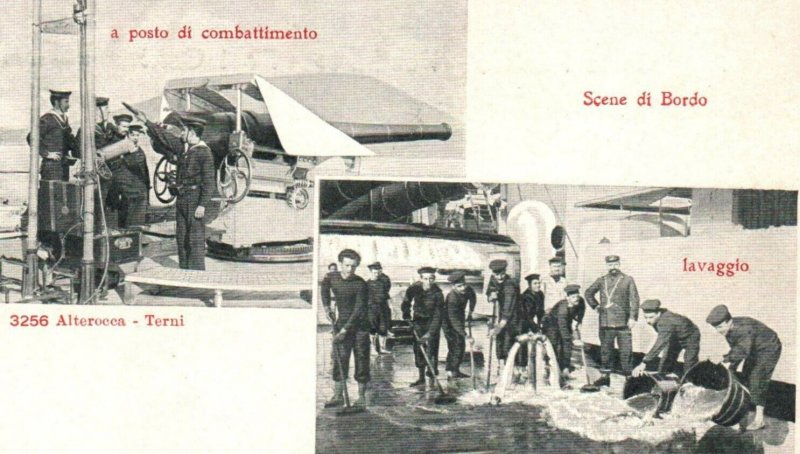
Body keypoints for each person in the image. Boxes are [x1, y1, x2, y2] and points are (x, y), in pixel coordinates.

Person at [134, 110, 216, 270]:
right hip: (182, 199)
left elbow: (209, 182)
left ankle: (197, 274)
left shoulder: (204, 153)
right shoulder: (186, 150)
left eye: (184, 131)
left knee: (195, 239)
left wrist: (202, 205)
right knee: (182, 237)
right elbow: (166, 139)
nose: (181, 134)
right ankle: (184, 271)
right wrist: (147, 123)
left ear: (192, 133)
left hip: (195, 201)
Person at [706, 304, 781, 431]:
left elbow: (742, 350)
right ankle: (740, 406)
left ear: (729, 321)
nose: (718, 331)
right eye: (716, 328)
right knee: (742, 373)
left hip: (768, 348)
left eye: (719, 327)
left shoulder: (744, 328)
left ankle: (759, 419)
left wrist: (726, 360)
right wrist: (729, 368)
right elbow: (737, 348)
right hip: (753, 348)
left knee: (757, 378)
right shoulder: (729, 330)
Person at [319, 249, 370, 407]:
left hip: (360, 327)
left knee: (361, 359)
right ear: (340, 264)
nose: (350, 270)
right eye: (347, 265)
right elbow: (324, 288)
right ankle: (338, 396)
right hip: (341, 323)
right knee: (340, 360)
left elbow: (358, 310)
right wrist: (327, 308)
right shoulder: (332, 278)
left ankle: (361, 397)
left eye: (354, 266)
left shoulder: (360, 284)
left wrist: (344, 331)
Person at [585, 255, 640, 385]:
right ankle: (605, 376)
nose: (613, 267)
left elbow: (635, 299)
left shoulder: (627, 280)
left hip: (623, 323)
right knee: (606, 351)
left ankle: (628, 377)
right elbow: (588, 293)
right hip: (606, 322)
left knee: (626, 351)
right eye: (610, 265)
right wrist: (596, 306)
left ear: (619, 264)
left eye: (615, 264)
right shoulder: (602, 280)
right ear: (606, 266)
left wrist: (633, 317)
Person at [632, 299, 700, 378]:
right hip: (674, 337)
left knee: (689, 362)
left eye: (651, 317)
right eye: (646, 317)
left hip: (690, 336)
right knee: (665, 362)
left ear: (658, 313)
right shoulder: (658, 319)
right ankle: (663, 381)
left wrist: (644, 362)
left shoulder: (665, 322)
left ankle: (690, 384)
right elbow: (664, 339)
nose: (648, 321)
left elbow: (660, 344)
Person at [401, 266, 445, 386]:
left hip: (432, 323)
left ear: (434, 279)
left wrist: (430, 333)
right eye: (425, 279)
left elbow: (438, 315)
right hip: (418, 322)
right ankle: (421, 378)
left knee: (432, 350)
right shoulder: (414, 288)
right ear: (421, 279)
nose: (428, 282)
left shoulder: (438, 293)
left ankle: (432, 379)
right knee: (418, 349)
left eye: (431, 279)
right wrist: (406, 315)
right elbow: (406, 302)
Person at [487, 259, 525, 380]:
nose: (499, 277)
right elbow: (490, 289)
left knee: (511, 342)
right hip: (502, 315)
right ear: (493, 273)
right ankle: (503, 370)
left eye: (502, 273)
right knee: (501, 342)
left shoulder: (510, 284)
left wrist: (498, 327)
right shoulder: (494, 279)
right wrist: (491, 295)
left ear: (505, 271)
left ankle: (517, 372)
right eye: (497, 274)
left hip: (516, 317)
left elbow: (508, 308)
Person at [30, 90, 79, 181]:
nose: (68, 105)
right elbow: (31, 137)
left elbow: (69, 139)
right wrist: (46, 154)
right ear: (57, 102)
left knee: (63, 192)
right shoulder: (47, 119)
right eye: (66, 102)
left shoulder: (64, 119)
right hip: (51, 167)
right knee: (52, 193)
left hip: (64, 166)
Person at [542, 284, 585, 382]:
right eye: (573, 297)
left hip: (565, 322)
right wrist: (574, 339)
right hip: (551, 325)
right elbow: (564, 330)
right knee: (554, 346)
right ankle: (549, 369)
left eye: (577, 296)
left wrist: (578, 321)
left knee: (567, 346)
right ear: (567, 298)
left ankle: (565, 369)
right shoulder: (563, 310)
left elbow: (581, 311)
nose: (576, 299)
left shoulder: (580, 301)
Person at [114, 124, 151, 227]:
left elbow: (144, 169)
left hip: (140, 188)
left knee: (138, 219)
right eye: (133, 135)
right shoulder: (123, 149)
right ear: (128, 135)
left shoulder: (139, 149)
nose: (135, 137)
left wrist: (147, 186)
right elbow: (129, 165)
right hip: (129, 189)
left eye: (137, 135)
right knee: (129, 219)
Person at [442, 271, 476, 379]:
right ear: (453, 287)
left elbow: (473, 297)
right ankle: (451, 372)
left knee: (460, 346)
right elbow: (454, 320)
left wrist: (470, 311)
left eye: (464, 285)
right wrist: (466, 335)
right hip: (448, 322)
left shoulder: (468, 289)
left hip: (459, 317)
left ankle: (454, 370)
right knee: (455, 346)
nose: (463, 288)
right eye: (459, 286)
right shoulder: (452, 298)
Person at [366, 262, 392, 355]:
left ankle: (382, 348)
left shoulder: (382, 283)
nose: (376, 274)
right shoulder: (367, 284)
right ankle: (373, 349)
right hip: (371, 309)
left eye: (378, 272)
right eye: (374, 272)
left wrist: (390, 306)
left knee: (383, 328)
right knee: (372, 329)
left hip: (382, 308)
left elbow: (386, 295)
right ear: (371, 272)